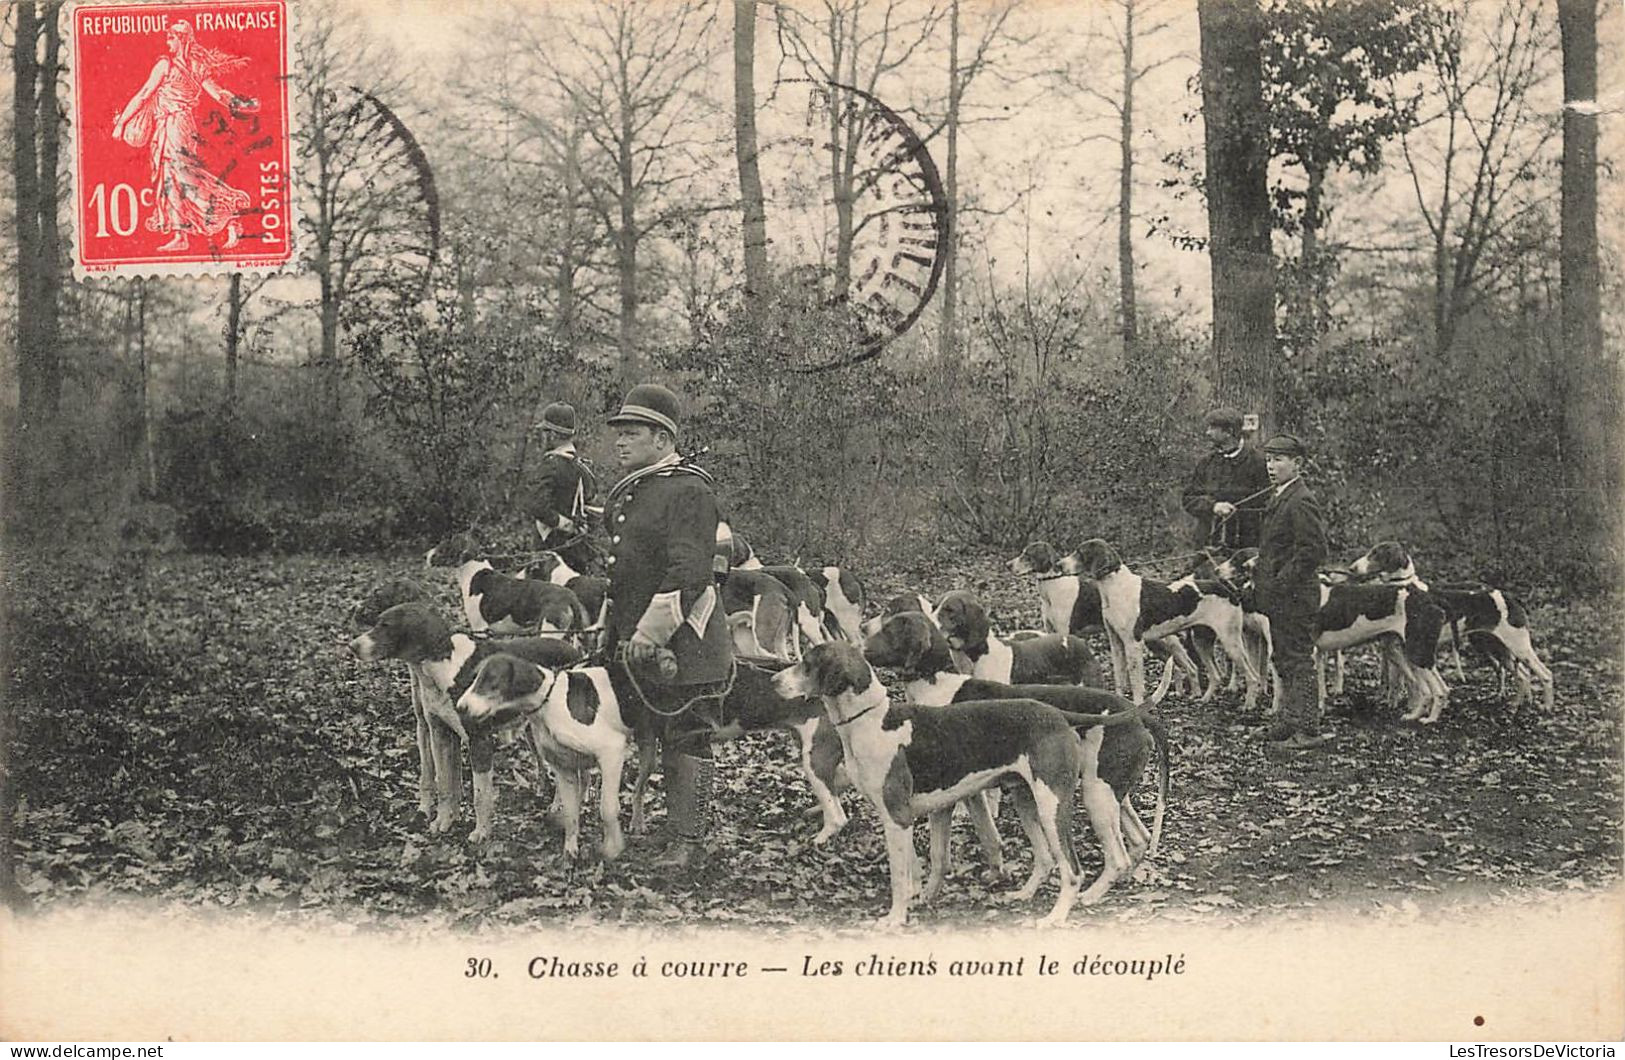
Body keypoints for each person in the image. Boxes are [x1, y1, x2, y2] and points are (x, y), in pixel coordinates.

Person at [602, 383, 733, 871]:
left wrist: (649, 633)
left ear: (662, 439)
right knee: (653, 730)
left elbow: (690, 573)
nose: (619, 442)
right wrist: (612, 627)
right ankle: (670, 830)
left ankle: (690, 841)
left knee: (687, 735)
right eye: (618, 433)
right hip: (637, 639)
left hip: (685, 643)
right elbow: (625, 567)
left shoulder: (688, 490)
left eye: (631, 433)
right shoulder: (639, 488)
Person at [111, 20, 258, 253]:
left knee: (181, 174)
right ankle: (182, 233)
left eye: (170, 38)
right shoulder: (195, 67)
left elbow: (143, 94)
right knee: (172, 175)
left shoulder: (166, 65)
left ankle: (227, 214)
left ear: (181, 39)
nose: (167, 42)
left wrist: (121, 123)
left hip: (175, 125)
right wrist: (239, 103)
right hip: (172, 125)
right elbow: (219, 94)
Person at [1255, 434, 1329, 752]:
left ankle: (1308, 729)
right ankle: (1288, 721)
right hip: (1280, 596)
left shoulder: (1301, 499)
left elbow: (1313, 551)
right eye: (1269, 459)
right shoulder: (1281, 496)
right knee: (1283, 657)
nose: (1272, 466)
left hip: (1295, 595)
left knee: (1299, 660)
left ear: (1297, 464)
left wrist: (1280, 582)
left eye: (1279, 460)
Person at [1182, 408, 1271, 551]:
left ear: (1229, 432)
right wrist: (1213, 506)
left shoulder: (1259, 462)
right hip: (1208, 544)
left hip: (1246, 546)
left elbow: (1269, 503)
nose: (1208, 432)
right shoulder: (1206, 463)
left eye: (1213, 428)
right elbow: (1189, 498)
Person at [529, 402, 598, 574]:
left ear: (552, 435)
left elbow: (538, 506)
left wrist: (565, 524)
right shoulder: (582, 466)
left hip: (551, 550)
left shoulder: (551, 465)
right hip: (578, 549)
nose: (542, 438)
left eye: (544, 433)